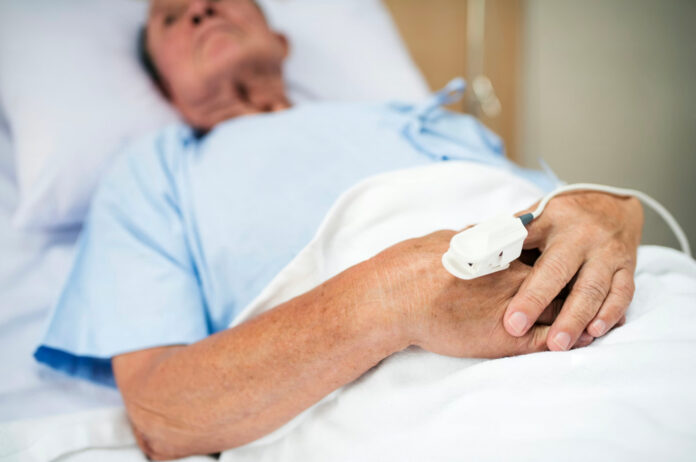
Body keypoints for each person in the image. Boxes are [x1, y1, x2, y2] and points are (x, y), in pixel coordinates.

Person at [35, 0, 643, 459]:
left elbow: (575, 215)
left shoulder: (422, 118)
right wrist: (391, 298)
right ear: (163, 80)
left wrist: (615, 211)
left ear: (279, 39)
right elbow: (160, 415)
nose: (199, 8)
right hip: (412, 390)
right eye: (171, 18)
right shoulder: (154, 171)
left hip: (623, 320)